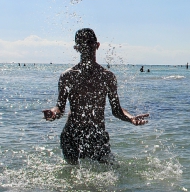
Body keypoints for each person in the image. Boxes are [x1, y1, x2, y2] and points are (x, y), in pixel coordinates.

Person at [43, 28, 149, 164]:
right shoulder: (68, 76)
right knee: (73, 180)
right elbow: (60, 107)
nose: (86, 46)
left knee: (110, 173)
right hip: (72, 134)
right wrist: (53, 113)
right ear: (76, 48)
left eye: (89, 42)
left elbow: (116, 110)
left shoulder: (107, 77)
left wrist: (131, 118)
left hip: (97, 133)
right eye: (81, 43)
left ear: (97, 45)